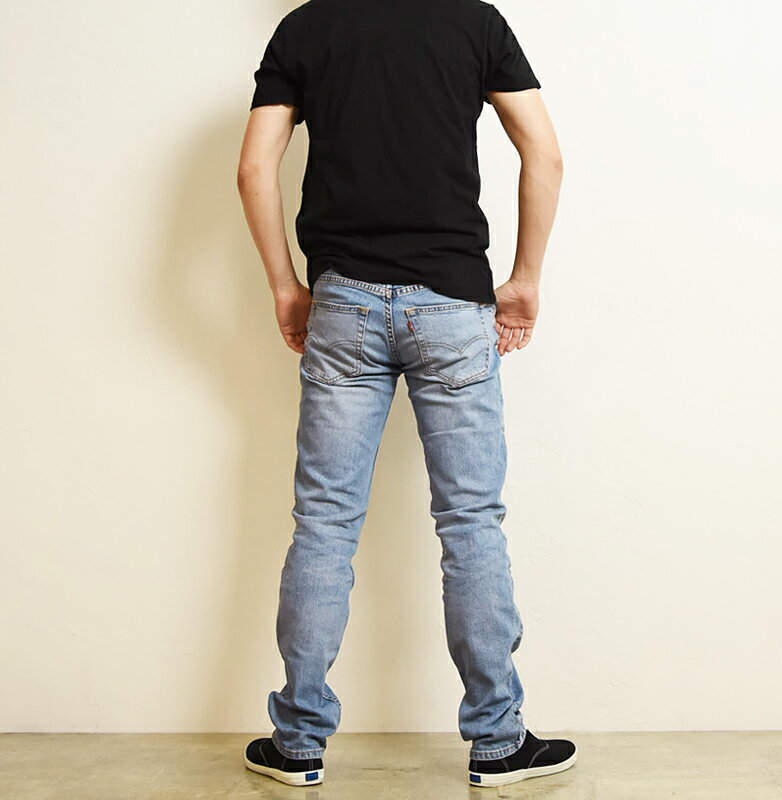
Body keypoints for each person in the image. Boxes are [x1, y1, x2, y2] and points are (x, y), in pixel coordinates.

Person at [237, 0, 570, 788]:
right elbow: (545, 155)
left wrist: (285, 285)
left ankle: (298, 742)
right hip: (453, 303)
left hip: (343, 302)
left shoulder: (306, 27)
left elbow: (253, 168)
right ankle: (498, 743)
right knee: (471, 522)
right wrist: (525, 278)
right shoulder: (474, 23)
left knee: (324, 523)